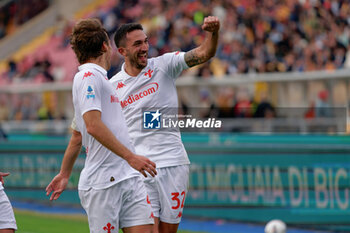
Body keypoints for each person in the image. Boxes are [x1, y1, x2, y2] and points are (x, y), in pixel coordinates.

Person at [46, 18, 157, 233]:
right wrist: (131, 157)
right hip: (104, 183)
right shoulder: (88, 77)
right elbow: (92, 126)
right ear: (106, 46)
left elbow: (77, 135)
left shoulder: (101, 79)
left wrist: (64, 173)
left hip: (128, 177)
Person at [110, 16, 220, 233]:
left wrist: (213, 32)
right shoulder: (112, 86)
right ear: (122, 52)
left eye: (145, 41)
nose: (144, 48)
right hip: (139, 169)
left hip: (174, 164)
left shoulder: (164, 65)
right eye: (137, 44)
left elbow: (204, 53)